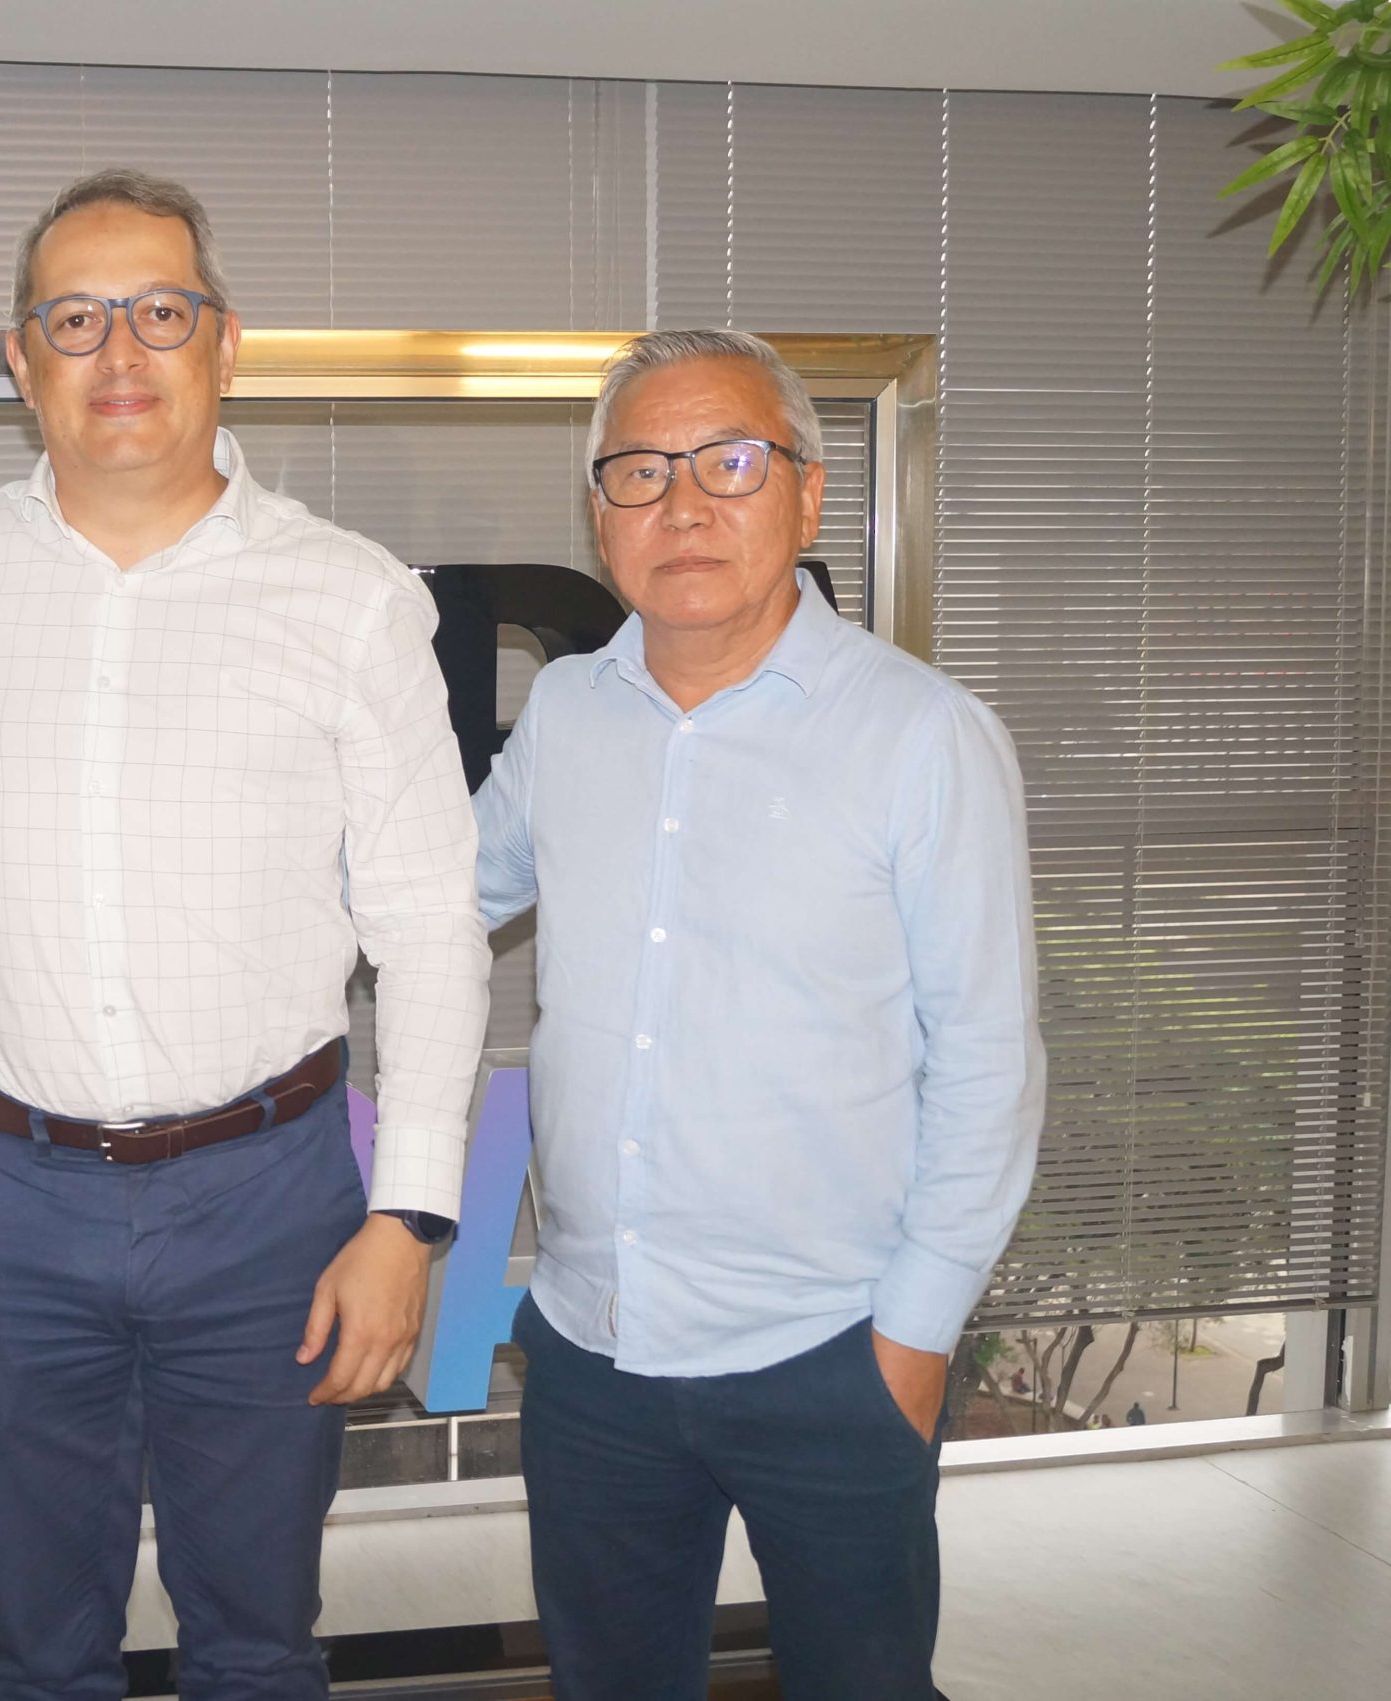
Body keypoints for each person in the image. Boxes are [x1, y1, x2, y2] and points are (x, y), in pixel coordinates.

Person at [0, 169, 491, 1700]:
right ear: (25, 362)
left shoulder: (347, 596)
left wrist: (409, 1220)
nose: (121, 352)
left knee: (257, 1645)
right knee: (36, 1651)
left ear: (225, 341)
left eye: (159, 310)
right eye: (76, 318)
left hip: (267, 1201)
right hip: (3, 1202)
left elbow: (429, 922)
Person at [473, 328, 1045, 1700]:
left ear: (808, 493)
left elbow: (988, 1060)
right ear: (599, 514)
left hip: (834, 1353)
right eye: (640, 470)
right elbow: (433, 900)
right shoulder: (566, 713)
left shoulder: (923, 735)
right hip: (595, 1352)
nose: (682, 505)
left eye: (728, 462)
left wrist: (913, 1338)